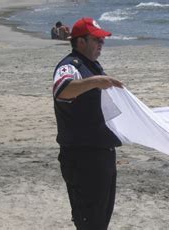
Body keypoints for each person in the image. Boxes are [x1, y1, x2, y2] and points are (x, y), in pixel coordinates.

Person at [52, 17, 123, 229]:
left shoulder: (92, 65)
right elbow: (62, 90)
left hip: (101, 154)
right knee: (89, 221)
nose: (101, 45)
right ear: (81, 42)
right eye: (97, 40)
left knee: (100, 220)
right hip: (82, 157)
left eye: (103, 41)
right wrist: (97, 81)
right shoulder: (70, 66)